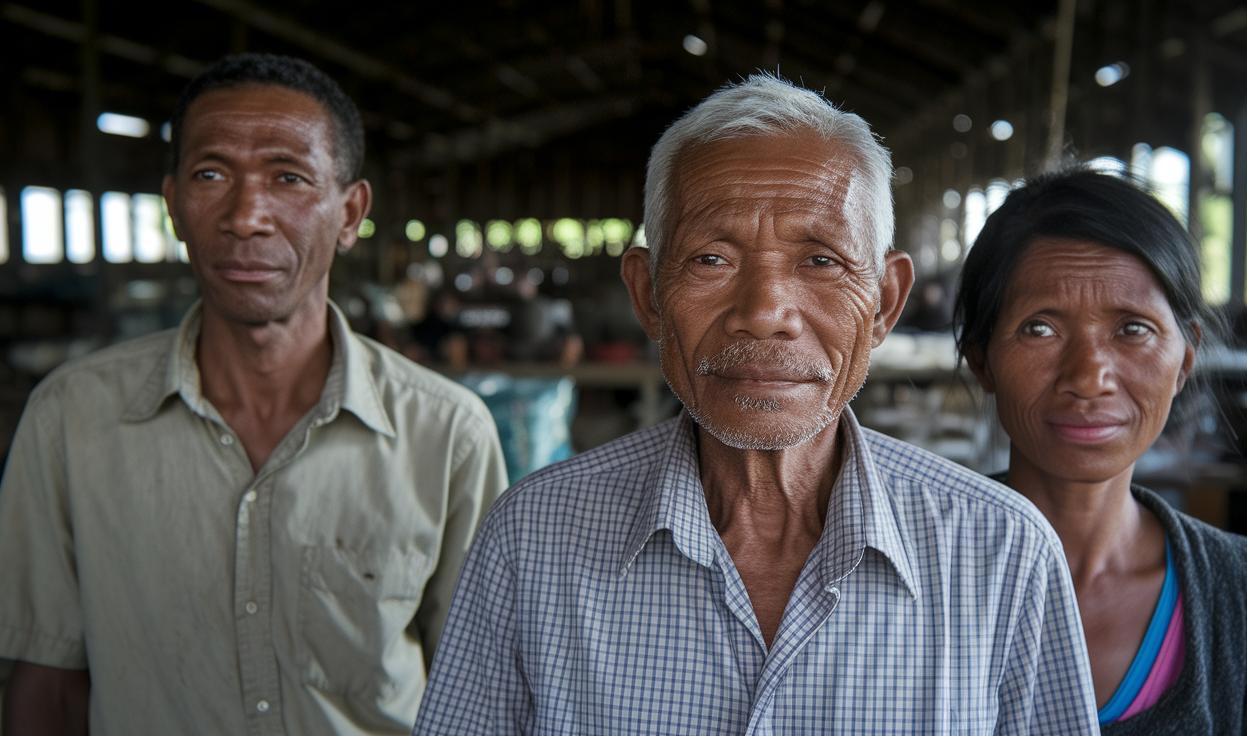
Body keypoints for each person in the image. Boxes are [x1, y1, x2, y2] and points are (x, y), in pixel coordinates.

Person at [413, 74, 1099, 734]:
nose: (765, 312)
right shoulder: (532, 540)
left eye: (821, 260)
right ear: (648, 294)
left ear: (886, 301)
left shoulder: (1003, 551)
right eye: (712, 259)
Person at [0, 53, 507, 734]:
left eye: (288, 177)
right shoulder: (71, 419)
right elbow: (49, 683)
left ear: (351, 212)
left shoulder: (446, 433)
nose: (246, 216)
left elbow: (481, 692)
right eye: (211, 175)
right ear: (175, 205)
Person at [953, 168, 1247, 733]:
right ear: (982, 360)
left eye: (1133, 329)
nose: (1089, 377)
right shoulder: (895, 580)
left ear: (1186, 359)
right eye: (1040, 329)